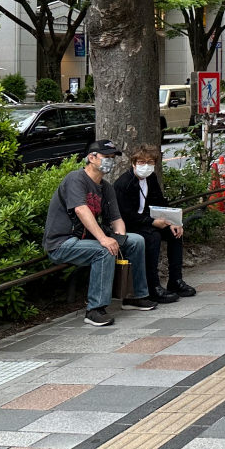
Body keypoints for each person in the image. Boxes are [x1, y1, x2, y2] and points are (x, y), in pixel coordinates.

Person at [42, 140, 156, 327]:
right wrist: (104, 240)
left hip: (87, 240)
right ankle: (95, 309)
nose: (110, 161)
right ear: (91, 158)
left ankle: (134, 296)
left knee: (136, 241)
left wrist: (119, 239)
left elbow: (116, 219)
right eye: (106, 157)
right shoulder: (76, 179)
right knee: (103, 251)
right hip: (63, 243)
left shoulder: (106, 187)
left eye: (112, 158)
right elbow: (81, 210)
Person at [114, 144, 194, 304]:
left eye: (150, 162)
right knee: (153, 237)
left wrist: (172, 221)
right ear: (133, 163)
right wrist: (153, 222)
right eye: (142, 162)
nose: (146, 166)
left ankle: (175, 280)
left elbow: (159, 201)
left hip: (148, 221)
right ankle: (153, 286)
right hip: (130, 224)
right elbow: (126, 215)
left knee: (175, 233)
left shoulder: (151, 178)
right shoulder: (124, 183)